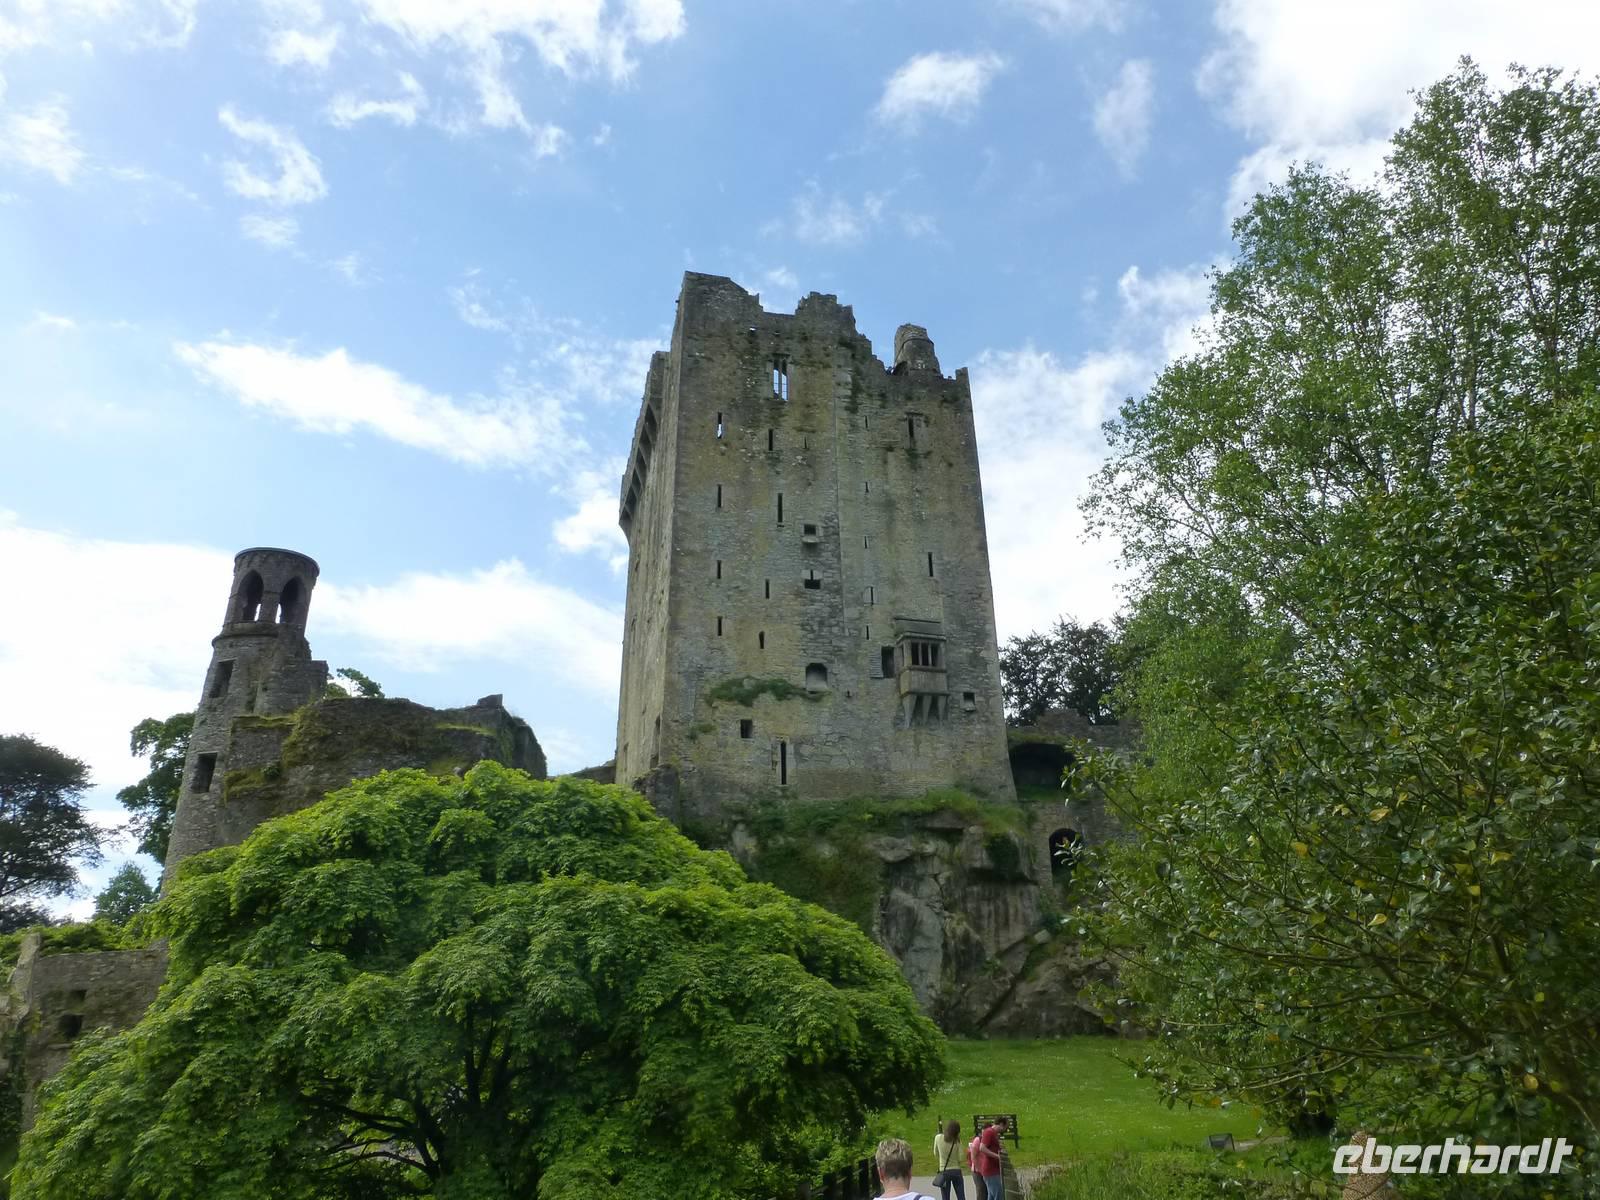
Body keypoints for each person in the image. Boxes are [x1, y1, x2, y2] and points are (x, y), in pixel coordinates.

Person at [975, 1116, 1009, 1199]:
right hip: (991, 1171)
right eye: (1005, 1127)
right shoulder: (989, 1132)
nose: (1005, 1130)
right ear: (1001, 1124)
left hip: (993, 1169)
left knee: (992, 1196)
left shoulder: (994, 1133)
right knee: (998, 1195)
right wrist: (997, 1156)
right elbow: (982, 1148)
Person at [932, 1119, 966, 1200]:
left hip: (944, 1171)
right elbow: (961, 1158)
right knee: (961, 1196)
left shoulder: (938, 1138)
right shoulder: (957, 1141)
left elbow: (935, 1153)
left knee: (945, 1197)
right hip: (956, 1170)